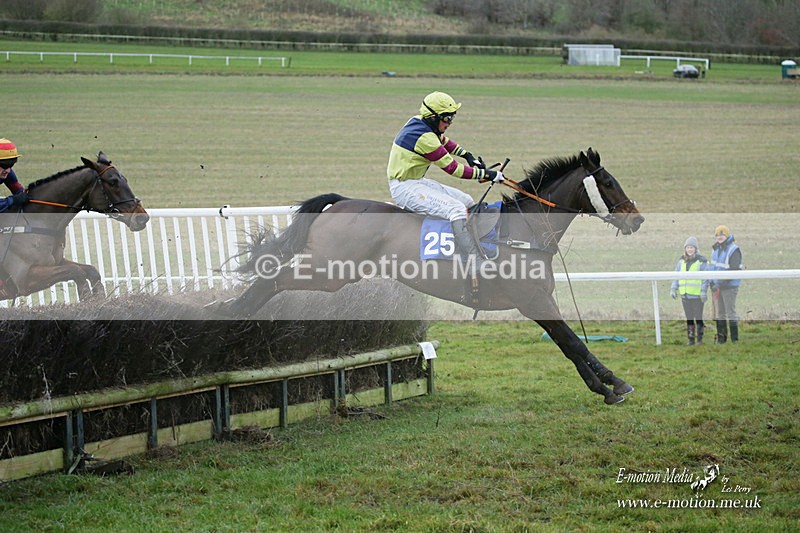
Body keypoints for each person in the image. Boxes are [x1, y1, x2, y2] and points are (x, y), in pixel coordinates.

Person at [387, 91, 505, 267]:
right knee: (456, 209)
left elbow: (443, 141)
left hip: (416, 181)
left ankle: (477, 243)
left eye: (452, 118)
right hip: (405, 188)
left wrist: (467, 155)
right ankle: (473, 259)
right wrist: (488, 174)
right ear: (433, 117)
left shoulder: (421, 122)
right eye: (447, 118)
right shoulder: (425, 139)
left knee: (467, 200)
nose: (450, 123)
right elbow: (453, 169)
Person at [670, 236, 709, 345]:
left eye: (692, 247)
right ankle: (691, 339)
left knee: (698, 318)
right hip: (685, 295)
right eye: (688, 247)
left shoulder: (701, 261)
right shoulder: (681, 261)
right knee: (689, 318)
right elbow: (676, 275)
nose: (690, 249)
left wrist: (703, 291)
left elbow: (705, 278)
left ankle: (699, 339)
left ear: (695, 249)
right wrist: (673, 288)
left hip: (697, 296)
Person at [709, 225, 742, 343]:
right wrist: (712, 282)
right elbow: (712, 267)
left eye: (722, 235)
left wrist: (719, 284)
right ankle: (721, 339)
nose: (719, 237)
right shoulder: (715, 249)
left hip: (729, 286)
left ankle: (734, 340)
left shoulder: (734, 250)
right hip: (717, 286)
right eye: (717, 235)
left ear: (727, 236)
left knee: (730, 312)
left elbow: (733, 270)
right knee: (720, 313)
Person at [0, 138, 29, 213]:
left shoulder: (6, 171)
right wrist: (13, 200)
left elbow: (19, 191)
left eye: (11, 165)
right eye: (4, 165)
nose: (8, 171)